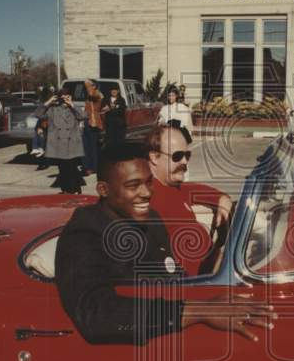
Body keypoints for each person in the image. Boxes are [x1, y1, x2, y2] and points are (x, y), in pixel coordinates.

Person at [54, 143, 274, 345]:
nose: (147, 193)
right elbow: (95, 313)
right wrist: (196, 311)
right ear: (103, 190)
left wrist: (213, 285)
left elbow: (172, 277)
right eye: (133, 185)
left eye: (149, 182)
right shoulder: (84, 234)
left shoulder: (150, 219)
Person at [147, 124, 233, 276]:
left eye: (187, 155)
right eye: (177, 156)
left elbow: (205, 192)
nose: (185, 162)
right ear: (154, 157)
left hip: (212, 271)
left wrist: (222, 199)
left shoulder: (174, 187)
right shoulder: (147, 197)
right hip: (194, 284)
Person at [34, 88, 86, 194]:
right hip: (58, 143)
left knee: (72, 167)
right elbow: (38, 114)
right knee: (62, 168)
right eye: (63, 97)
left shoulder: (74, 108)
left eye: (67, 96)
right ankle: (65, 190)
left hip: (71, 143)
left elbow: (83, 116)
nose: (65, 99)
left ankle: (75, 189)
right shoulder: (53, 109)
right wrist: (49, 102)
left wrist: (72, 104)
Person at [80, 79, 104, 175]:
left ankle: (94, 167)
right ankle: (87, 167)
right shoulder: (88, 96)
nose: (86, 88)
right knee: (85, 145)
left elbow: (95, 97)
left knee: (93, 146)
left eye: (89, 86)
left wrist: (88, 85)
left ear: (94, 86)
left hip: (94, 123)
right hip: (87, 122)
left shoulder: (98, 94)